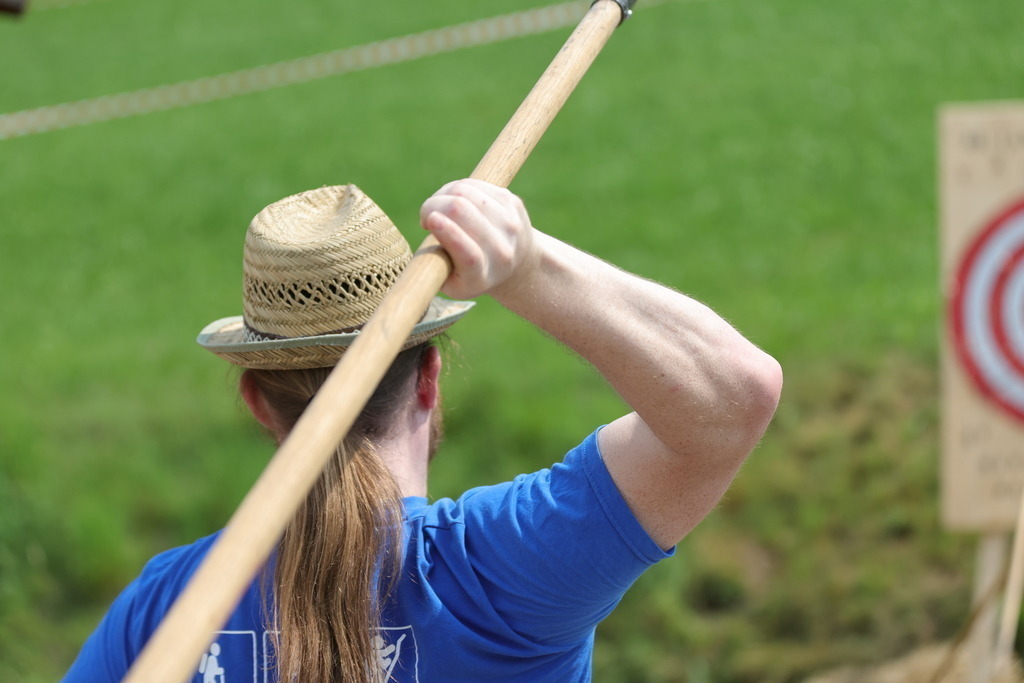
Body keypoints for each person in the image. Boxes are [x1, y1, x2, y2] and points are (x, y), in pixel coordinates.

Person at [62, 179, 782, 682]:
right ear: (431, 379)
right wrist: (525, 266)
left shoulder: (169, 607)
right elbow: (731, 399)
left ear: (257, 399)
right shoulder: (501, 569)